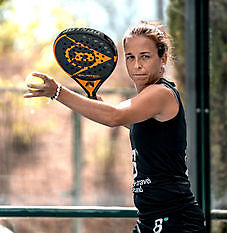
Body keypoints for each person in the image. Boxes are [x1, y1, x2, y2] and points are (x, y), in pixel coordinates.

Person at [24, 21, 205, 233]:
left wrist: (58, 92)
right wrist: (100, 107)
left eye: (145, 56)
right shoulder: (147, 100)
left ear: (162, 58)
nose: (137, 64)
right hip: (151, 217)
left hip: (174, 219)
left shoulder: (161, 93)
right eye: (130, 57)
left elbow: (114, 116)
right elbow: (125, 120)